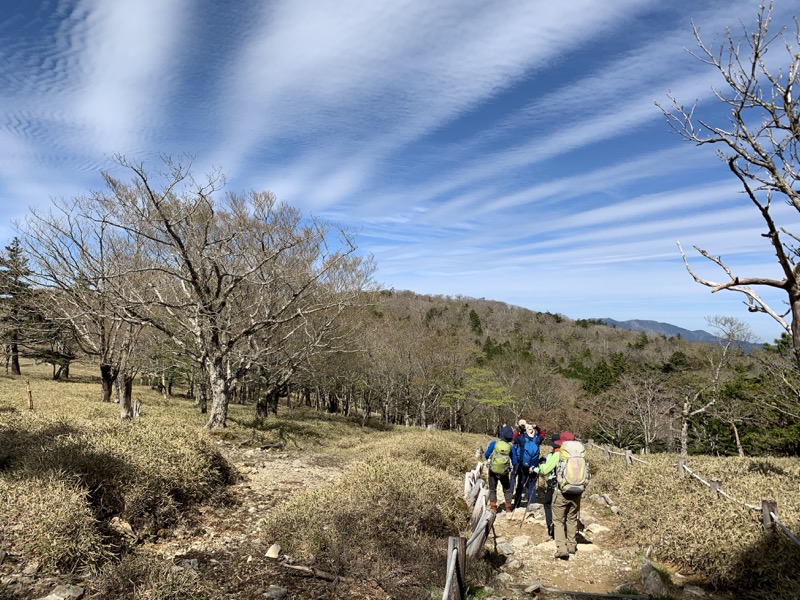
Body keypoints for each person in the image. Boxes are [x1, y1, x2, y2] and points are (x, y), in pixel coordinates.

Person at [550, 431, 581, 560]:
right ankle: (572, 546)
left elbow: (546, 469)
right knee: (572, 519)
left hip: (561, 492)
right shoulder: (581, 455)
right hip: (577, 492)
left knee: (557, 521)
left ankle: (562, 549)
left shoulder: (559, 455)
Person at [533, 433, 561, 539]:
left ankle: (551, 526)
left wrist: (536, 468)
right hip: (571, 484)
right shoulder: (569, 454)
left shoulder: (555, 455)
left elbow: (545, 470)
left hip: (554, 483)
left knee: (548, 503)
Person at [483, 425, 516, 513]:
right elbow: (514, 461)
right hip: (504, 471)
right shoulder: (510, 446)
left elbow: (486, 455)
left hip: (493, 470)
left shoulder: (495, 443)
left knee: (492, 488)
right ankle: (508, 508)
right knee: (506, 489)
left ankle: (493, 507)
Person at [512, 420, 543, 508]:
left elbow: (514, 437)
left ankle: (516, 505)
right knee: (532, 486)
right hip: (534, 466)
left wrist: (520, 430)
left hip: (523, 466)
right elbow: (542, 434)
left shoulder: (521, 439)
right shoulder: (537, 440)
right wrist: (537, 428)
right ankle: (531, 505)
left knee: (520, 485)